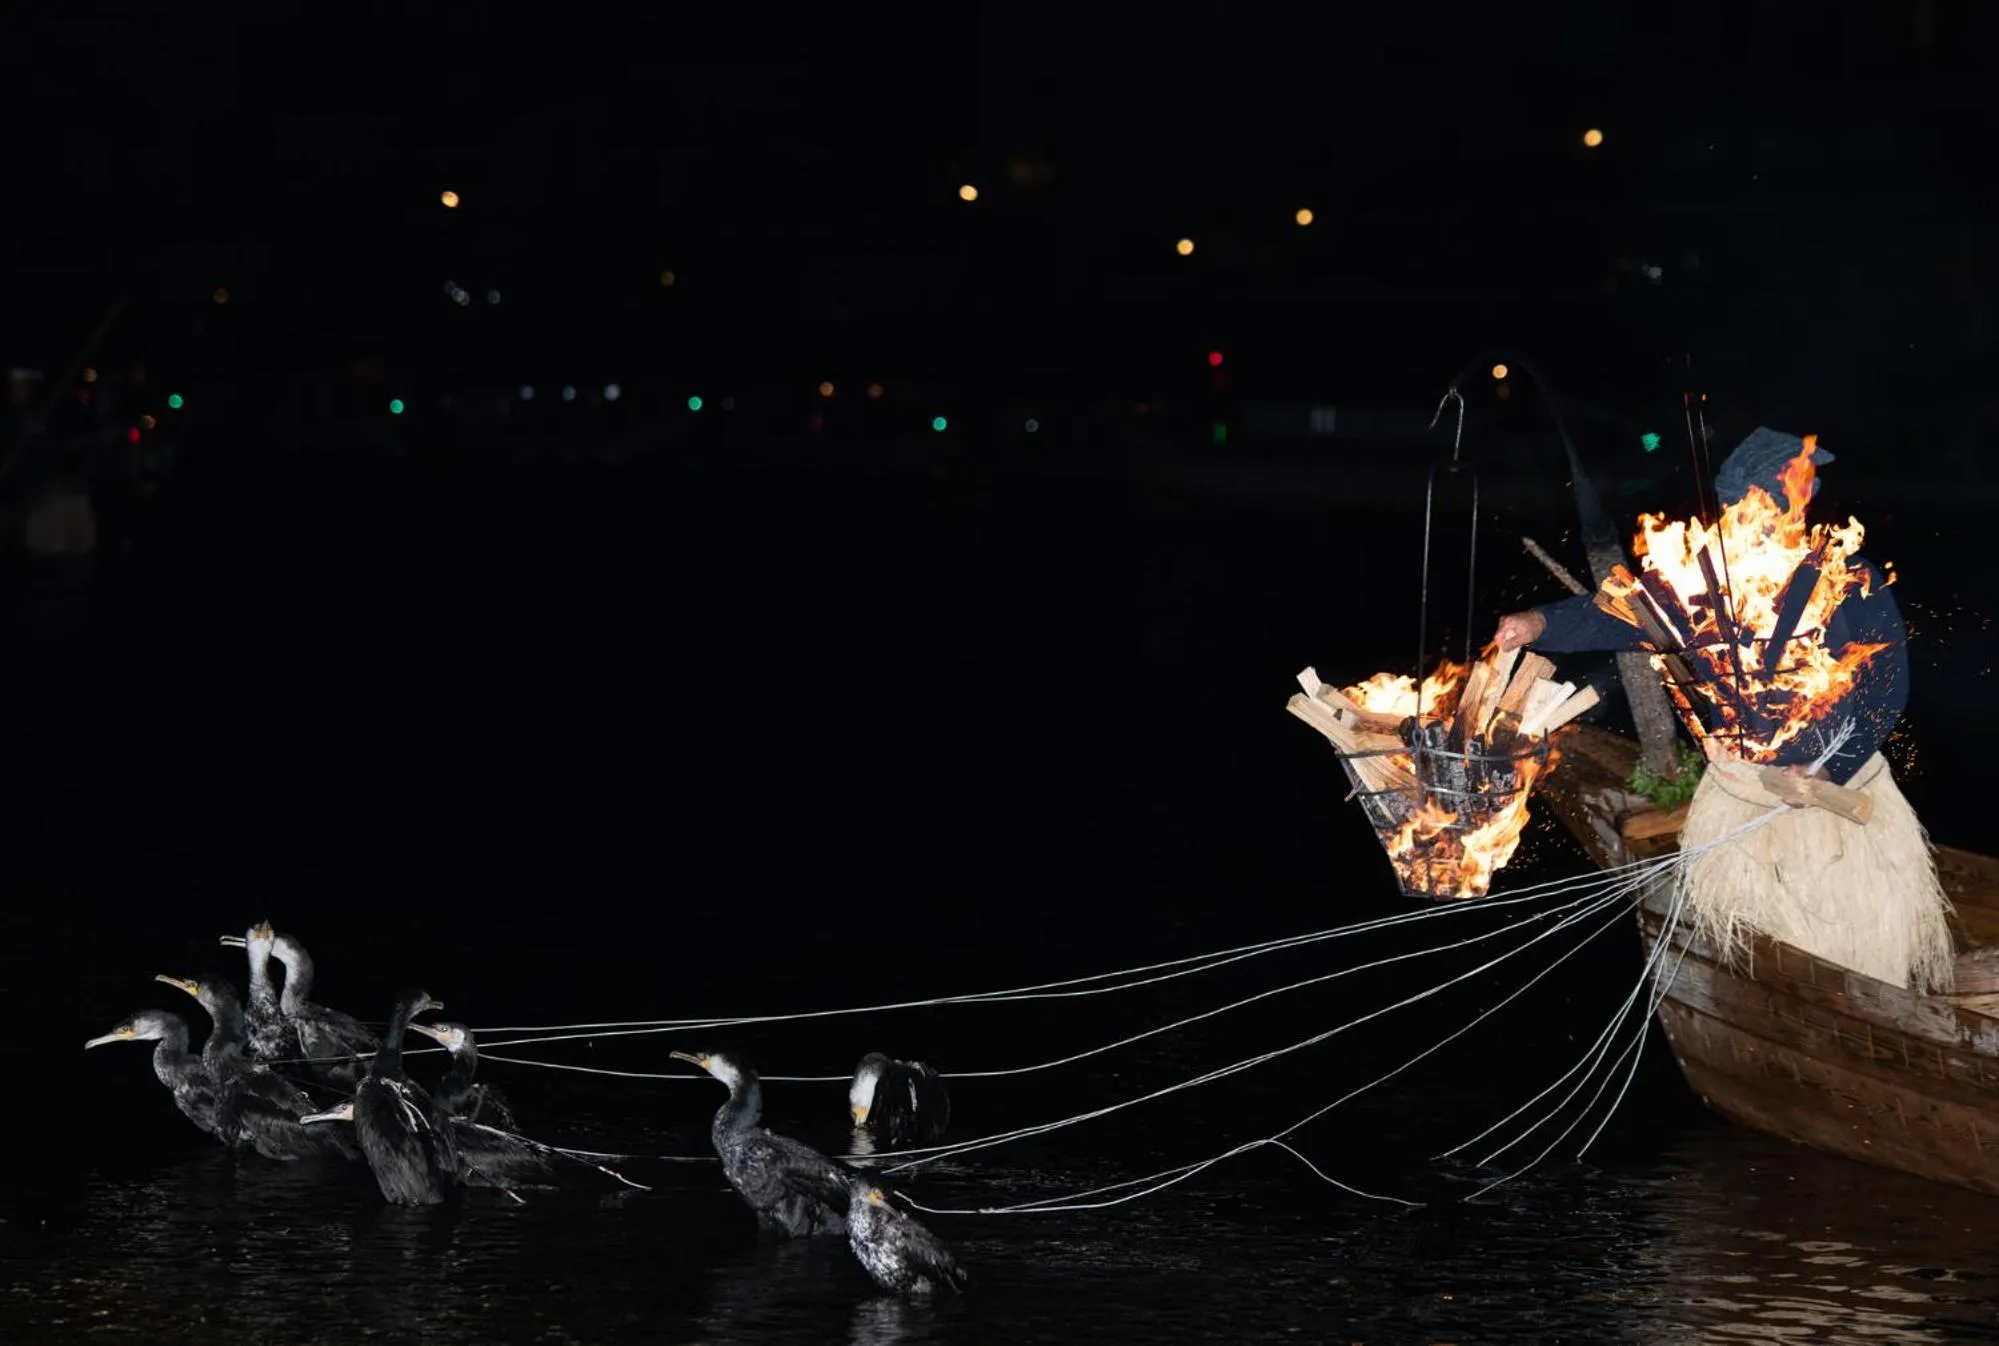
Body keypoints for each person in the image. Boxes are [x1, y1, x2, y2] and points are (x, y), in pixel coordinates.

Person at [1493, 427, 1953, 994]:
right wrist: (1538, 623)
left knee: (1858, 956)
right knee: (1759, 960)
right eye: (1751, 507)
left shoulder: (1848, 578)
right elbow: (1620, 612)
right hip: (1741, 794)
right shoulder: (1702, 576)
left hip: (1837, 794)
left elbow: (1887, 688)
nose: (1769, 518)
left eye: (1796, 493)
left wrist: (1831, 766)